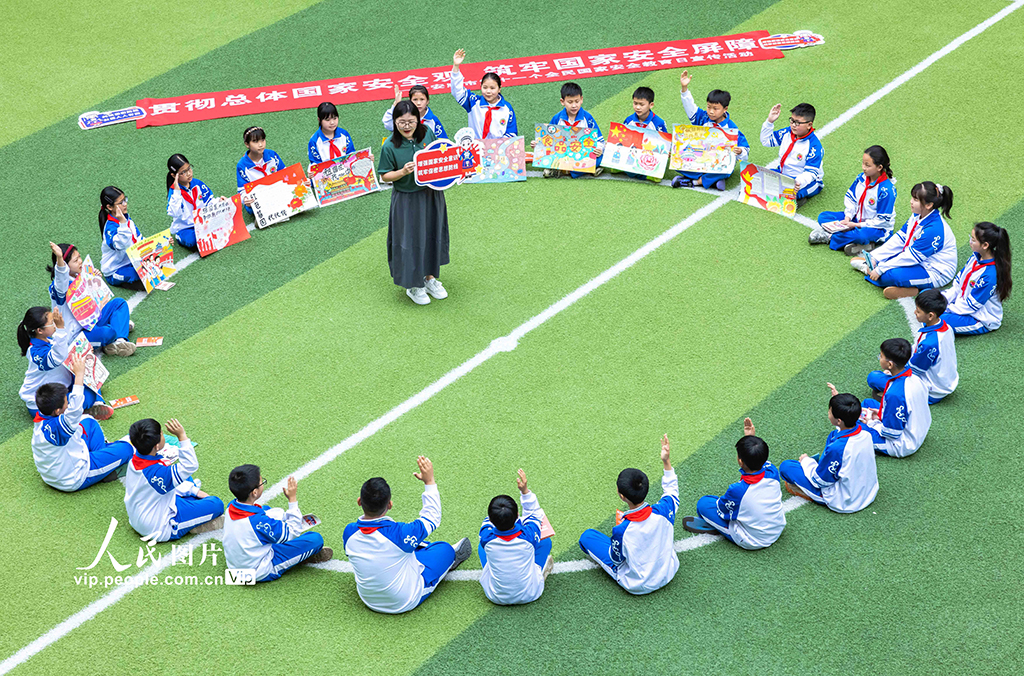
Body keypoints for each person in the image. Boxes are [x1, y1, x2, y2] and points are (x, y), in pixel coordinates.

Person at [342, 456, 472, 613]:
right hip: (404, 600)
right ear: (390, 505)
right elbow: (432, 518)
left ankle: (418, 547)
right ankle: (445, 557)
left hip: (368, 599)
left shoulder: (349, 532)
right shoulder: (400, 533)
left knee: (405, 549)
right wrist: (429, 482)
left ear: (359, 501)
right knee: (445, 549)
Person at [578, 434, 679, 594]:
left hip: (639, 584)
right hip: (669, 571)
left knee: (587, 537)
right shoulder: (664, 510)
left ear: (622, 496)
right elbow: (672, 491)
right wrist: (666, 461)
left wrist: (620, 534)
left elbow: (616, 559)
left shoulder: (622, 530)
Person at [377, 100, 450, 305]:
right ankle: (413, 285)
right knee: (409, 241)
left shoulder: (427, 133)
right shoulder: (389, 146)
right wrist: (402, 172)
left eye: (411, 121)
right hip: (407, 199)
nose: (407, 126)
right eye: (402, 122)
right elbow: (384, 175)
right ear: (395, 122)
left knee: (431, 235)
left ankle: (429, 278)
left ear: (418, 120)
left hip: (431, 194)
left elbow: (440, 157)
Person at [30, 357, 133, 491]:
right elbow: (75, 408)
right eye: (66, 402)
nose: (68, 404)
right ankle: (104, 468)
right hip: (74, 477)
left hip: (59, 469)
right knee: (127, 449)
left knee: (88, 421)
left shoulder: (44, 416)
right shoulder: (58, 428)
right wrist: (79, 375)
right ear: (57, 411)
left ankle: (103, 461)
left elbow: (75, 414)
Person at [681, 418, 786, 549]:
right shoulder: (772, 471)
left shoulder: (738, 490)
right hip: (777, 528)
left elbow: (722, 511)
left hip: (754, 540)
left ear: (740, 461)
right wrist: (750, 439)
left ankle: (718, 528)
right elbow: (758, 460)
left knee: (704, 504)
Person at [223, 466, 333, 582]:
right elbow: (292, 531)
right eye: (262, 482)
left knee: (265, 509)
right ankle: (300, 558)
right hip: (257, 572)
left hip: (234, 568)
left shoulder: (231, 506)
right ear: (254, 492)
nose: (263, 483)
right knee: (315, 539)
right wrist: (292, 499)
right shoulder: (259, 523)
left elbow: (260, 518)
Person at [124, 418, 224, 541]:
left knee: (185, 479)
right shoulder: (158, 473)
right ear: (156, 446)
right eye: (161, 434)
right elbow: (190, 465)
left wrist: (194, 491)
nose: (163, 435)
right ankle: (190, 525)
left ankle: (192, 507)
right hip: (160, 528)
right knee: (216, 504)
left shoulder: (134, 461)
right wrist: (182, 436)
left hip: (144, 514)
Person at [851, 181, 957, 299]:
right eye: (912, 198)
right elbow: (900, 239)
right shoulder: (916, 215)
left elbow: (911, 257)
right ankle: (875, 269)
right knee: (885, 267)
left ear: (928, 205)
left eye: (916, 200)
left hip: (935, 272)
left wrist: (881, 269)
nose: (911, 201)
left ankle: (913, 289)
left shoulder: (934, 229)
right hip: (919, 260)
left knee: (890, 275)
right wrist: (875, 256)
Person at [779, 388, 878, 513]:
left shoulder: (838, 448)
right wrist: (839, 402)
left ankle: (811, 492)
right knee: (833, 435)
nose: (828, 413)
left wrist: (806, 461)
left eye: (830, 411)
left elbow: (820, 481)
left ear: (839, 420)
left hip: (845, 501)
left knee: (786, 467)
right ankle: (823, 465)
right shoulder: (866, 435)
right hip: (868, 492)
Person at [18, 306, 111, 419]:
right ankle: (89, 405)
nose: (55, 324)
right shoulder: (36, 352)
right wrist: (60, 329)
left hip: (59, 387)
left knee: (89, 374)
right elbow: (58, 358)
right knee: (87, 395)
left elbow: (67, 354)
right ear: (40, 331)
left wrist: (85, 351)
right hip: (42, 405)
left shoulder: (48, 340)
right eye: (52, 322)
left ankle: (97, 403)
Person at [479, 469, 553, 605]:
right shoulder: (528, 535)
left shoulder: (486, 535)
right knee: (545, 541)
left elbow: (490, 522)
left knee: (481, 546)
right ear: (517, 514)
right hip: (531, 594)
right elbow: (534, 513)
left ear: (490, 518)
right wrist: (525, 491)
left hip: (495, 596)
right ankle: (539, 572)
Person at [47, 241, 135, 356]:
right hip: (76, 335)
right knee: (108, 332)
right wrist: (59, 258)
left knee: (119, 303)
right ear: (65, 266)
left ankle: (120, 341)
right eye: (75, 260)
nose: (80, 261)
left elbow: (94, 300)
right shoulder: (59, 288)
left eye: (79, 257)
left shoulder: (80, 275)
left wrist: (95, 280)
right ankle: (117, 329)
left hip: (92, 321)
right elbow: (61, 277)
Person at [672, 70, 748, 190]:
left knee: (726, 170)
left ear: (725, 109)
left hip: (718, 164)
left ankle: (695, 182)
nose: (711, 111)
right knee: (677, 160)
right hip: (701, 160)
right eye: (708, 107)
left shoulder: (731, 129)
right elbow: (690, 107)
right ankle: (712, 181)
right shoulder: (703, 118)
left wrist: (741, 151)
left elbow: (745, 151)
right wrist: (684, 88)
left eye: (715, 108)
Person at [811, 145, 896, 253]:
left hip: (877, 228)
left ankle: (830, 237)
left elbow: (882, 221)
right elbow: (851, 199)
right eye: (863, 163)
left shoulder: (886, 190)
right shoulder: (861, 178)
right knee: (824, 216)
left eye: (867, 165)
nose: (863, 167)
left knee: (861, 235)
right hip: (856, 218)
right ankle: (856, 242)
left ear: (879, 167)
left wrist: (856, 225)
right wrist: (848, 218)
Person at [861, 338, 932, 457]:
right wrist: (881, 413)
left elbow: (891, 433)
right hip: (918, 429)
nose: (879, 358)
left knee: (852, 426)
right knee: (868, 403)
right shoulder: (916, 378)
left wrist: (872, 423)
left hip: (901, 444)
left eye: (881, 356)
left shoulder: (894, 394)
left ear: (890, 364)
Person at [941, 221, 1012, 334]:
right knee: (927, 298)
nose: (970, 241)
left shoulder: (989, 275)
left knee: (935, 320)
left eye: (973, 240)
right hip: (962, 306)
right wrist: (942, 300)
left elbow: (971, 306)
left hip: (979, 318)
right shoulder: (975, 258)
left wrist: (944, 308)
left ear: (985, 245)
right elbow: (958, 285)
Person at [890, 290, 957, 404]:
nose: (915, 312)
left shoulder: (929, 344)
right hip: (945, 383)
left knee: (875, 378)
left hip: (931, 391)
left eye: (918, 311)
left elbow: (913, 371)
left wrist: (893, 371)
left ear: (930, 315)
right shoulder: (947, 328)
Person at [536, 81, 604, 178]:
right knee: (546, 155)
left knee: (601, 157)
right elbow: (548, 139)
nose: (574, 105)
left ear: (581, 99)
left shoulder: (588, 118)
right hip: (563, 154)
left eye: (577, 101)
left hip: (581, 155)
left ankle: (563, 171)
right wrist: (538, 144)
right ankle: (587, 170)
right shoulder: (557, 118)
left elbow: (600, 140)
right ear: (562, 102)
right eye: (570, 102)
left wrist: (599, 149)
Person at [760, 103, 823, 202]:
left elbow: (811, 173)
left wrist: (798, 182)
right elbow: (766, 141)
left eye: (797, 123)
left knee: (791, 193)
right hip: (784, 174)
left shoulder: (814, 146)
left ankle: (799, 198)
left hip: (807, 181)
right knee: (760, 176)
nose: (793, 125)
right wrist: (769, 122)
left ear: (809, 125)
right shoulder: (787, 133)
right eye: (792, 120)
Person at [451, 49, 517, 139]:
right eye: (485, 87)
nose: (488, 91)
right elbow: (457, 91)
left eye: (492, 88)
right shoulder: (473, 102)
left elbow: (511, 133)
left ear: (499, 89)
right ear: (480, 87)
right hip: (476, 146)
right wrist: (456, 67)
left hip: (499, 146)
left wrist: (498, 145)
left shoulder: (506, 108)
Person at [166, 154, 214, 249]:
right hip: (185, 228)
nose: (188, 173)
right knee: (194, 240)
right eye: (183, 172)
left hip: (202, 221)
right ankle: (179, 236)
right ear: (174, 175)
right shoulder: (174, 193)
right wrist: (177, 192)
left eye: (189, 168)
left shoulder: (197, 183)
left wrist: (220, 201)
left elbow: (209, 201)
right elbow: (176, 213)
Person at [98, 186, 142, 286]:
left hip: (130, 261)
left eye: (125, 199)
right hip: (115, 269)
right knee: (142, 274)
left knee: (155, 261)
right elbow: (122, 244)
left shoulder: (127, 219)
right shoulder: (110, 228)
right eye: (121, 202)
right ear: (110, 207)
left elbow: (139, 239)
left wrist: (162, 242)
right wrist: (122, 223)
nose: (125, 204)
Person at [236, 126, 284, 209]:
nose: (261, 145)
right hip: (259, 198)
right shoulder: (242, 165)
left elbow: (285, 173)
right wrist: (245, 199)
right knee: (252, 208)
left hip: (276, 192)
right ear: (247, 144)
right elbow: (242, 190)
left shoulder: (272, 155)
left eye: (263, 140)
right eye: (255, 141)